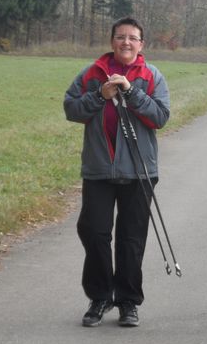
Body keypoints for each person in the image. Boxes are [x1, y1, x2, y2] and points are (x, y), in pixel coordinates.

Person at [63, 17, 170, 328]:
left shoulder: (151, 76)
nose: (126, 42)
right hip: (98, 169)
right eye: (121, 37)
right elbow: (71, 109)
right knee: (94, 232)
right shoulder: (92, 73)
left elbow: (160, 117)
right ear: (112, 42)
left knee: (131, 239)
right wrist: (101, 95)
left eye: (133, 38)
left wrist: (132, 92)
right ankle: (100, 297)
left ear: (141, 44)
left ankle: (128, 301)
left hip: (139, 171)